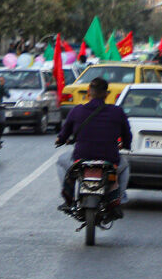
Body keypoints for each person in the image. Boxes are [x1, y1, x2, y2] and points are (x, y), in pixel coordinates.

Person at [55, 76, 132, 215]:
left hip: (81, 158)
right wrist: (126, 145)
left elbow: (64, 133)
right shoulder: (117, 112)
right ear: (106, 94)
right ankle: (119, 198)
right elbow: (127, 135)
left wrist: (60, 140)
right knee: (125, 166)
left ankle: (68, 196)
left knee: (61, 162)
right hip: (110, 158)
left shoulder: (77, 110)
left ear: (88, 92)